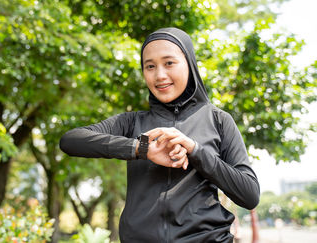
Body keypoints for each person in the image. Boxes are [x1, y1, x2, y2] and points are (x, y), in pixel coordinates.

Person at [59, 27, 260, 243]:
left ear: (189, 64)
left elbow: (249, 194)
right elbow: (70, 140)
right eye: (150, 66)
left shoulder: (218, 120)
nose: (160, 75)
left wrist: (194, 150)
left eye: (169, 63)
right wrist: (141, 149)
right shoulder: (132, 122)